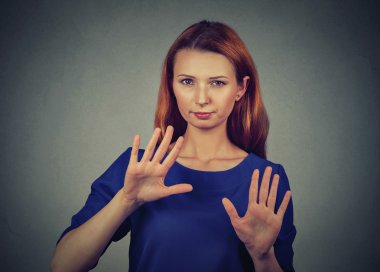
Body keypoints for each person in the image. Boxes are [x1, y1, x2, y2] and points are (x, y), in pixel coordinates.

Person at [51, 20, 296, 272]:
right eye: (188, 82)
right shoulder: (139, 167)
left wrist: (263, 256)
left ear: (241, 88)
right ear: (171, 84)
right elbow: (63, 266)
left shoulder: (268, 179)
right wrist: (126, 200)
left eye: (217, 83)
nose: (201, 98)